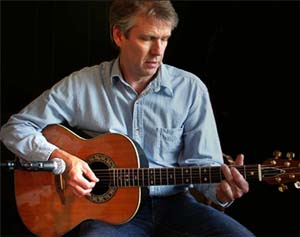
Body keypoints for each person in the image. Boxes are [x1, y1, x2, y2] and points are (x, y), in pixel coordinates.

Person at [0, 0, 255, 236]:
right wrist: (62, 159)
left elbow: (203, 166)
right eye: (147, 38)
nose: (158, 51)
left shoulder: (190, 89)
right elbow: (15, 128)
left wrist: (222, 192)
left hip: (176, 206)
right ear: (118, 35)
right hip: (109, 215)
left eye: (165, 39)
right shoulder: (81, 85)